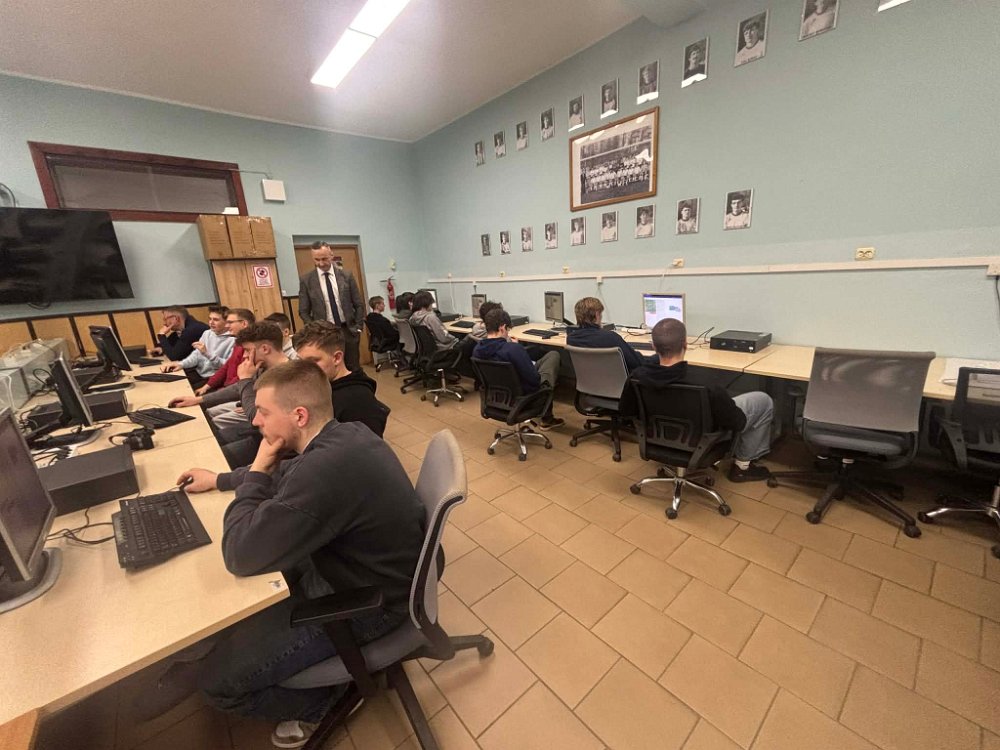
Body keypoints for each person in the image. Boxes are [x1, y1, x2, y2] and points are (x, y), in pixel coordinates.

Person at [174, 360, 424, 748]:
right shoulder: (344, 434)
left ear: (300, 416)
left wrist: (257, 470)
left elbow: (240, 554)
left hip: (366, 605)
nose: (255, 420)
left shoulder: (323, 471)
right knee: (240, 614)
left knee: (217, 685)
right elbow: (288, 474)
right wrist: (223, 479)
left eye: (263, 411)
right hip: (360, 573)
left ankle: (325, 704)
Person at [623, 319, 773, 482]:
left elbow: (626, 411)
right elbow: (737, 423)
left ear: (653, 346)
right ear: (685, 345)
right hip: (701, 444)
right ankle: (742, 467)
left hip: (657, 441)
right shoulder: (705, 383)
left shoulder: (636, 377)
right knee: (763, 400)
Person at [171, 322, 289, 445]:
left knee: (213, 440)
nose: (245, 356)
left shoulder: (286, 377)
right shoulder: (263, 367)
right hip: (258, 426)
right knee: (207, 427)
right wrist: (199, 400)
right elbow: (238, 388)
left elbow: (255, 417)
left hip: (269, 436)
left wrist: (245, 380)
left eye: (247, 350)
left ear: (265, 349)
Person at [293, 321, 389, 437]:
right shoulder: (320, 387)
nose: (304, 369)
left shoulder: (358, 402)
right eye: (300, 361)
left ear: (337, 358)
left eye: (313, 361)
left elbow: (365, 447)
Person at [474, 309, 564, 430]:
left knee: (548, 357)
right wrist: (517, 348)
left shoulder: (477, 350)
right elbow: (534, 380)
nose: (508, 333)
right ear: (502, 328)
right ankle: (546, 418)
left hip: (495, 399)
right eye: (508, 330)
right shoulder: (513, 350)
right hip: (524, 400)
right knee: (553, 356)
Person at [297, 242, 365, 372]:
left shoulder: (346, 276)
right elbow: (303, 311)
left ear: (331, 255)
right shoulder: (306, 280)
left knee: (353, 368)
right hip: (323, 333)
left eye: (324, 259)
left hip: (348, 330)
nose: (321, 263)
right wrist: (315, 330)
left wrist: (358, 327)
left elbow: (358, 304)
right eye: (317, 260)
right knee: (329, 369)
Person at [567, 296, 650, 373]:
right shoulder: (610, 337)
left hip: (587, 381)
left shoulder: (571, 338)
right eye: (601, 314)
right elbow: (636, 362)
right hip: (619, 381)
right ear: (597, 315)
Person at [162, 305, 234, 387]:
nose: (211, 322)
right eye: (210, 319)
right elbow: (196, 355)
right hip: (199, 373)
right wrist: (181, 364)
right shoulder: (207, 333)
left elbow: (227, 366)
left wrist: (207, 353)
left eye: (216, 320)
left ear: (227, 322)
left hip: (215, 377)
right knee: (172, 381)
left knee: (183, 389)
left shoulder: (233, 340)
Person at [193, 308, 255, 397]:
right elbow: (226, 367)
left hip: (235, 391)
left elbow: (241, 379)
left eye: (230, 322)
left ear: (244, 324)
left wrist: (220, 392)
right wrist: (206, 386)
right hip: (226, 387)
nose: (227, 326)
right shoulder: (239, 343)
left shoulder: (251, 346)